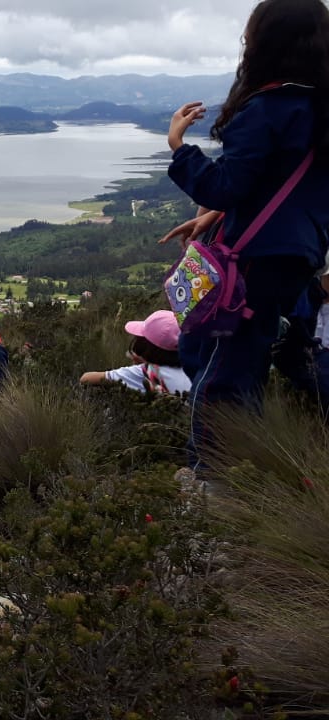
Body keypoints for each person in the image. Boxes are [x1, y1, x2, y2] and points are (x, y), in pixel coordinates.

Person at [160, 0, 329, 471]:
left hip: (254, 257)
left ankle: (213, 481)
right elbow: (284, 185)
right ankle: (245, 464)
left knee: (220, 371)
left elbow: (224, 184)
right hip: (297, 255)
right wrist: (212, 215)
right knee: (241, 361)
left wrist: (178, 146)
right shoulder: (318, 104)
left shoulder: (269, 107)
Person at [80, 310, 192, 395]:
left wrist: (141, 365)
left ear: (146, 346)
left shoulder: (147, 372)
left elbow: (86, 379)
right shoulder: (198, 367)